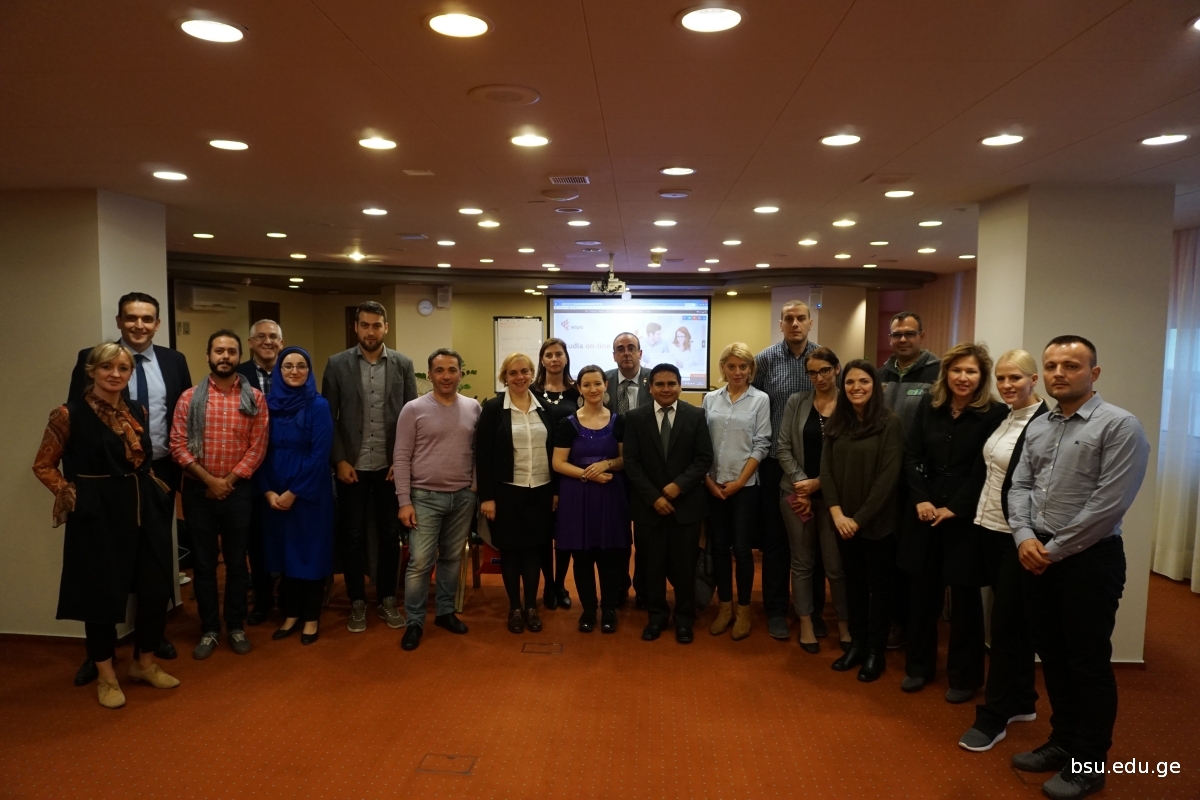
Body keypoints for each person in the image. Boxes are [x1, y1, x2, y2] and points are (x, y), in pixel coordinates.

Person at [1007, 336, 1149, 800]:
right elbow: (1019, 485)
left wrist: (1053, 550)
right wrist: (1024, 537)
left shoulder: (1120, 425)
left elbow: (1109, 504)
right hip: (1036, 555)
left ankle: (1088, 765)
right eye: (1051, 365)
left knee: (1087, 664)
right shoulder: (1040, 425)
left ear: (1094, 373)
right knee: (1051, 656)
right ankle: (1063, 742)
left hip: (1088, 560)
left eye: (1071, 365)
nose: (1058, 373)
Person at [35, 343, 179, 708]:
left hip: (144, 510)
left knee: (155, 588)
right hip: (97, 516)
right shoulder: (68, 414)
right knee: (100, 595)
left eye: (123, 368)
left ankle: (144, 664)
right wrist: (70, 493)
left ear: (130, 374)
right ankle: (107, 675)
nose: (115, 374)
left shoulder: (136, 409)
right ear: (92, 371)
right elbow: (43, 465)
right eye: (106, 367)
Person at [67, 291, 190, 683]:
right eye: (132, 318)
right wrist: (79, 490)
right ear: (119, 321)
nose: (139, 325)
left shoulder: (174, 361)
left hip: (156, 476)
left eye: (147, 318)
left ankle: (150, 643)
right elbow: (76, 429)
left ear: (157, 324)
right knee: (103, 570)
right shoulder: (92, 357)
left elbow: (183, 416)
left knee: (154, 567)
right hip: (103, 485)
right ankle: (99, 656)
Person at [898, 343, 1007, 700]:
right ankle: (918, 667)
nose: (963, 377)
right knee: (921, 596)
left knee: (965, 601)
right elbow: (912, 454)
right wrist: (921, 498)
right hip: (924, 511)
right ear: (946, 373)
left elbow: (985, 468)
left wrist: (956, 507)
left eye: (971, 371)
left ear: (982, 376)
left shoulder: (995, 413)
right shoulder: (930, 406)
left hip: (966, 516)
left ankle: (964, 677)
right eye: (957, 370)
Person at [958, 350, 1047, 752]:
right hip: (988, 527)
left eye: (1016, 378)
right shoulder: (1005, 417)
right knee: (1012, 622)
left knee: (1007, 627)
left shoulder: (1044, 423)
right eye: (1002, 378)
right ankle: (1023, 699)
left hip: (1018, 536)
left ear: (1034, 380)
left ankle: (993, 716)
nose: (1007, 385)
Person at [170, 329, 269, 660]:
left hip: (238, 491)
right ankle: (210, 628)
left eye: (231, 351)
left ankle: (235, 625)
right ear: (208, 356)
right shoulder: (188, 398)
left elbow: (258, 446)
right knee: (204, 563)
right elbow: (177, 445)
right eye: (218, 351)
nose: (225, 356)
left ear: (239, 356)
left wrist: (227, 481)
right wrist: (209, 481)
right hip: (199, 491)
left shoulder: (255, 398)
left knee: (238, 562)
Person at [322, 301, 417, 634]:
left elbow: (411, 418)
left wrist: (400, 461)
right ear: (356, 327)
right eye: (365, 325)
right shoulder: (337, 364)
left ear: (385, 327)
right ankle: (357, 601)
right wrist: (339, 459)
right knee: (352, 536)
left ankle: (388, 599)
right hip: (352, 468)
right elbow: (329, 418)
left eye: (377, 325)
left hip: (390, 468)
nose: (371, 331)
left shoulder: (403, 364)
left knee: (390, 535)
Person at [820, 360, 906, 682]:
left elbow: (888, 477)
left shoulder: (890, 423)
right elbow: (826, 471)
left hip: (877, 523)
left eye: (864, 382)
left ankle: (875, 652)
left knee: (880, 589)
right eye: (850, 382)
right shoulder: (837, 422)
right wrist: (837, 513)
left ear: (876, 386)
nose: (856, 388)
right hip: (843, 522)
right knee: (852, 586)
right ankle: (856, 644)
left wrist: (858, 519)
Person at [393, 349, 481, 652]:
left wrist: (473, 488)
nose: (446, 376)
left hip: (463, 497)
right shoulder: (413, 409)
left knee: (452, 559)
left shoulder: (473, 408)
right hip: (424, 498)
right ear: (429, 374)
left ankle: (444, 612)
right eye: (439, 370)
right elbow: (401, 457)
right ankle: (415, 622)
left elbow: (478, 453)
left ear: (460, 373)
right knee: (419, 562)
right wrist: (404, 501)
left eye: (452, 370)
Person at [623, 364, 713, 644]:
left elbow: (703, 458)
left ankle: (685, 620)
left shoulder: (696, 415)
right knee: (652, 566)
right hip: (649, 508)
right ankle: (656, 617)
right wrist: (654, 497)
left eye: (671, 384)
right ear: (650, 387)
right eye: (659, 384)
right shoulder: (635, 418)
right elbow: (632, 463)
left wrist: (679, 486)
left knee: (684, 567)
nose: (666, 389)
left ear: (680, 386)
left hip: (686, 506)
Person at [254, 347, 334, 646]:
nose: (294, 371)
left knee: (309, 555)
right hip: (274, 490)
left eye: (301, 366)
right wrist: (267, 490)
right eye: (288, 366)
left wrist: (294, 492)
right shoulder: (267, 404)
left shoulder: (318, 405)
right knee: (283, 554)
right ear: (279, 371)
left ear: (309, 371)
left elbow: (320, 455)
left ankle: (311, 616)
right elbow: (258, 449)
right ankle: (291, 612)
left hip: (308, 491)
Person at [753, 300, 821, 640]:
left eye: (801, 318)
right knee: (776, 540)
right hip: (774, 465)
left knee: (813, 541)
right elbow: (756, 406)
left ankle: (813, 610)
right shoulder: (765, 360)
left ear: (810, 322)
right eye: (789, 319)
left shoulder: (823, 358)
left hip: (814, 466)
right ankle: (777, 609)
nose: (795, 323)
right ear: (781, 324)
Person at [777, 346, 851, 653]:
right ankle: (806, 622)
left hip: (835, 498)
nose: (819, 378)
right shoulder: (797, 402)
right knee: (802, 562)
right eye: (812, 373)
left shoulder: (850, 405)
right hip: (796, 494)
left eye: (824, 370)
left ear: (836, 369)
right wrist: (802, 485)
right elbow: (782, 447)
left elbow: (850, 455)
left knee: (835, 566)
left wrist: (819, 483)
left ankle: (845, 624)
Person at [477, 353, 556, 634]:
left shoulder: (545, 408)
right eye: (513, 373)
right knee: (511, 552)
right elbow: (483, 456)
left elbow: (554, 451)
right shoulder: (493, 409)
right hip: (507, 492)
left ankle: (530, 606)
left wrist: (556, 491)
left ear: (532, 374)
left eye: (524, 371)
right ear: (504, 377)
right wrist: (487, 497)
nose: (519, 377)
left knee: (534, 551)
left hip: (541, 490)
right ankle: (514, 608)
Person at [878, 311, 941, 653]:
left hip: (918, 481)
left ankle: (910, 623)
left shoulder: (939, 373)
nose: (902, 339)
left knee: (912, 558)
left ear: (921, 336)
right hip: (883, 479)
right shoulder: (881, 375)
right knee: (886, 554)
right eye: (896, 334)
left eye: (909, 334)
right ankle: (889, 618)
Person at [552, 365, 629, 633]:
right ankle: (587, 610)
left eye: (597, 383)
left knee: (609, 557)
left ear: (606, 385)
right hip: (577, 495)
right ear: (579, 388)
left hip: (610, 494)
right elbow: (558, 463)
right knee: (582, 557)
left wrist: (607, 464)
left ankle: (608, 609)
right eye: (587, 384)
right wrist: (588, 475)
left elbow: (624, 460)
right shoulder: (568, 424)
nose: (593, 389)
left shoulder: (619, 421)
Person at [702, 343, 770, 641]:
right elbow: (702, 443)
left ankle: (744, 610)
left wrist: (740, 482)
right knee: (718, 548)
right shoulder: (710, 399)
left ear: (751, 369)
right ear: (723, 368)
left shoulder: (760, 400)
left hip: (744, 488)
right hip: (713, 485)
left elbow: (762, 443)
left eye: (743, 366)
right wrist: (708, 481)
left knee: (742, 550)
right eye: (731, 366)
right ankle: (725, 607)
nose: (737, 372)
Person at [237, 319, 284, 626]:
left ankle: (291, 596)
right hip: (249, 466)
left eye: (274, 337)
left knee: (286, 534)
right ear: (251, 342)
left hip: (285, 464)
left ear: (281, 342)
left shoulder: (292, 369)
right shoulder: (238, 374)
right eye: (261, 337)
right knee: (256, 538)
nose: (268, 341)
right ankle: (262, 599)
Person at [605, 332, 653, 607]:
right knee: (618, 534)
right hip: (613, 468)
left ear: (640, 353)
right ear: (614, 355)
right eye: (620, 349)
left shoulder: (654, 380)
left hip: (647, 469)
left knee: (645, 535)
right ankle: (619, 586)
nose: (626, 353)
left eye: (631, 348)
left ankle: (644, 588)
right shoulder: (603, 380)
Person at [532, 337, 577, 610]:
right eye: (548, 355)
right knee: (542, 534)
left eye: (559, 354)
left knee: (564, 535)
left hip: (569, 470)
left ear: (566, 358)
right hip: (537, 470)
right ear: (542, 359)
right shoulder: (531, 391)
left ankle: (561, 584)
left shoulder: (576, 391)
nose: (554, 359)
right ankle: (548, 585)